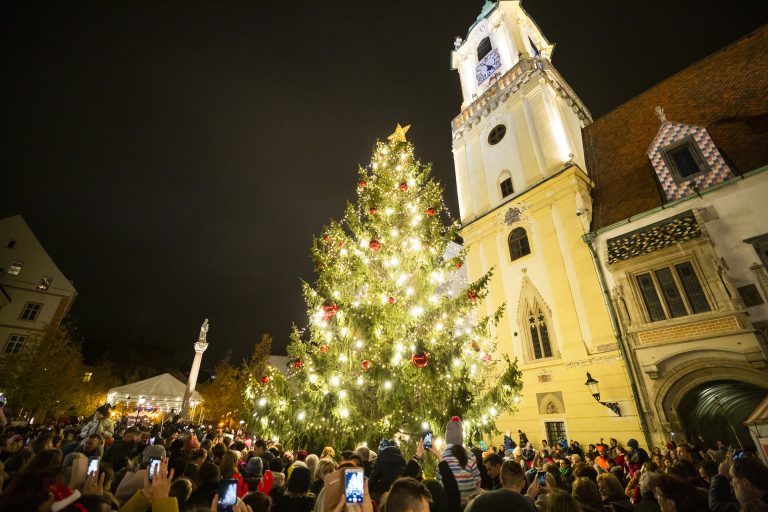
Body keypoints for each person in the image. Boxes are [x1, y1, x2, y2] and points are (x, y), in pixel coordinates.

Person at [438, 417, 481, 506]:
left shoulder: (441, 457)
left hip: (451, 504)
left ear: (447, 437)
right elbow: (477, 481)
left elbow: (439, 481)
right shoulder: (470, 455)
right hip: (470, 504)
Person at [465, 459, 536, 512]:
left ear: (500, 479)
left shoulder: (479, 502)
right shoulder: (527, 505)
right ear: (523, 483)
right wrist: (529, 498)